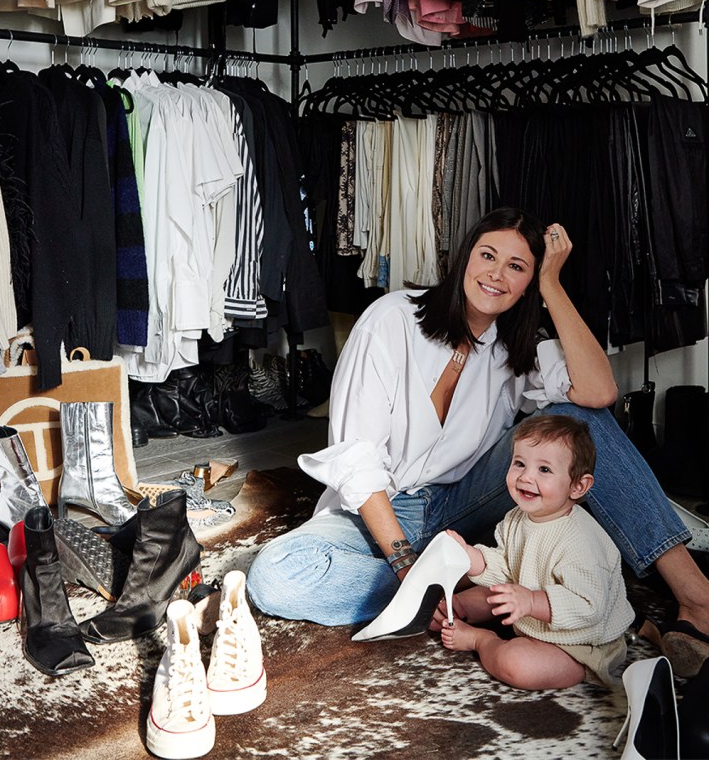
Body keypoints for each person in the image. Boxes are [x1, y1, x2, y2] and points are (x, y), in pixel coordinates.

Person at [246, 207, 709, 677]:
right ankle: (480, 597)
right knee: (276, 575)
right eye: (488, 255)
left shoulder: (516, 343)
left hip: (463, 501)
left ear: (528, 283)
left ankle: (697, 599)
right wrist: (407, 564)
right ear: (466, 256)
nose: (496, 274)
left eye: (517, 267)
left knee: (575, 418)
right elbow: (356, 458)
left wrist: (553, 285)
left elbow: (598, 393)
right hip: (381, 508)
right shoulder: (391, 320)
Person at [432, 413, 633, 690]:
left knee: (518, 665)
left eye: (545, 470)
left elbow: (589, 606)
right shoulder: (516, 518)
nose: (526, 477)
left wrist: (531, 601)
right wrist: (471, 558)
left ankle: (481, 639)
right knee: (490, 592)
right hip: (529, 612)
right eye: (519, 464)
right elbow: (505, 568)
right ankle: (458, 609)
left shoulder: (580, 540)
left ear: (578, 486)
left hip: (580, 642)